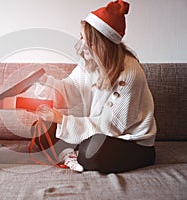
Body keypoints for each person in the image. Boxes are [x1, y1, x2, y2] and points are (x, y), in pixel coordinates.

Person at [30, 0, 156, 174]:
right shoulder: (90, 61)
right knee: (40, 129)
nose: (82, 44)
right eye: (82, 36)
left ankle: (75, 155)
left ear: (103, 43)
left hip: (131, 142)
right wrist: (45, 82)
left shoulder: (129, 73)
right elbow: (70, 89)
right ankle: (75, 154)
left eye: (88, 40)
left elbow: (111, 126)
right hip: (101, 133)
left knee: (91, 153)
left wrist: (62, 119)